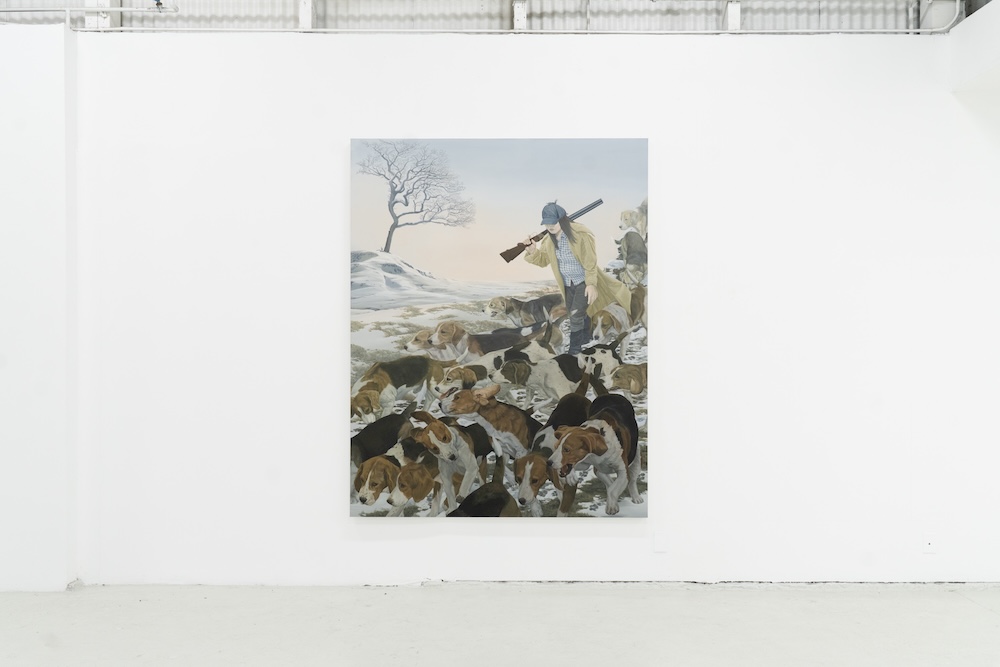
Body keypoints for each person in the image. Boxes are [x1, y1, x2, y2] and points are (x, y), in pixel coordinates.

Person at [523, 201, 632, 355]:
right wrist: (532, 251)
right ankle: (586, 338)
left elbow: (590, 262)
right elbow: (543, 261)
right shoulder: (548, 240)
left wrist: (591, 284)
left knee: (575, 315)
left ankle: (574, 350)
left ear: (562, 220)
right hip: (567, 284)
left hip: (583, 282)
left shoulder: (581, 236)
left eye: (553, 222)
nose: (550, 226)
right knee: (577, 313)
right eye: (547, 223)